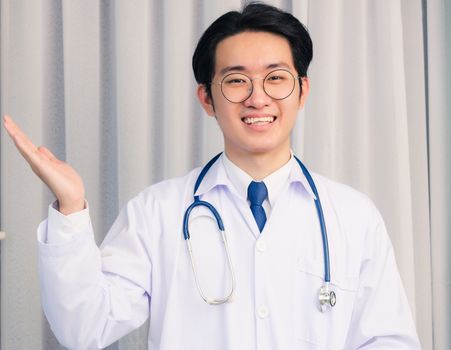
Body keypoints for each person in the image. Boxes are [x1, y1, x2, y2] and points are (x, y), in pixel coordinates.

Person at [3, 2, 421, 349]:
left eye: (276, 78)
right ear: (207, 98)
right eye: (236, 81)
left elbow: (388, 339)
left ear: (302, 90)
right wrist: (72, 207)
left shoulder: (352, 216)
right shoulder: (158, 212)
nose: (258, 98)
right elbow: (84, 327)